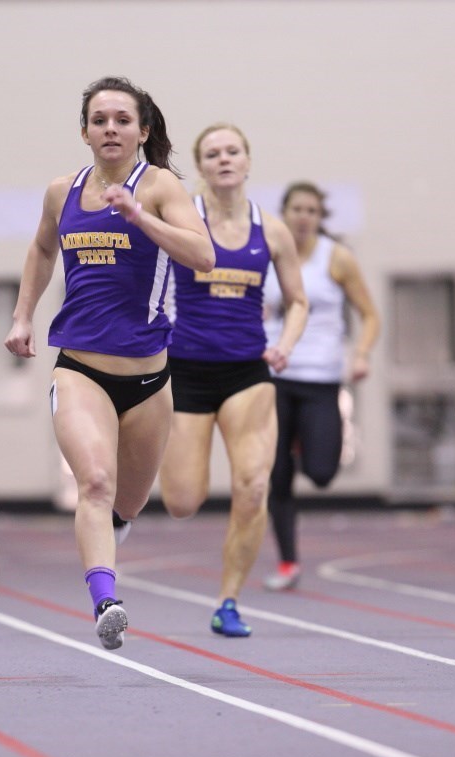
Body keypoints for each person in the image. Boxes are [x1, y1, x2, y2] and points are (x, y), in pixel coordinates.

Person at [4, 76, 215, 649]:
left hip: (148, 379)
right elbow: (43, 248)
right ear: (85, 132)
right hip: (80, 368)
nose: (111, 129)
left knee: (127, 500)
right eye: (100, 120)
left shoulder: (162, 186)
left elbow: (203, 256)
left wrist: (141, 217)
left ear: (142, 131)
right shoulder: (61, 191)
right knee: (94, 483)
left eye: (123, 119)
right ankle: (106, 601)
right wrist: (23, 316)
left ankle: (113, 533)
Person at [159, 123, 309, 637]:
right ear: (200, 167)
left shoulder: (272, 231)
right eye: (212, 154)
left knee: (252, 486)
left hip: (248, 371)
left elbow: (298, 301)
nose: (224, 160)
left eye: (233, 151)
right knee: (182, 502)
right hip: (186, 371)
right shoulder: (183, 221)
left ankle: (228, 602)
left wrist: (285, 344)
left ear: (247, 161)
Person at [261, 182, 380, 590]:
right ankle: (288, 563)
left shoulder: (338, 258)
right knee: (276, 477)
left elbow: (370, 315)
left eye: (311, 210)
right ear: (285, 212)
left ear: (320, 217)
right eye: (297, 208)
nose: (303, 217)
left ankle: (300, 444)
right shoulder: (268, 253)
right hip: (275, 375)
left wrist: (360, 354)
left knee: (322, 472)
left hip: (321, 378)